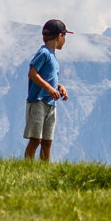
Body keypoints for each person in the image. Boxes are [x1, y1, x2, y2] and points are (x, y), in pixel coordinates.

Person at [24, 19, 72, 161]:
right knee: (35, 139)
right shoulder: (44, 53)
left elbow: (48, 77)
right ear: (59, 36)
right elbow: (32, 73)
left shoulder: (52, 55)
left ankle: (44, 169)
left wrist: (59, 87)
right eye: (65, 36)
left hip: (51, 103)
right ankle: (27, 167)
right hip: (38, 101)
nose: (65, 40)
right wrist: (49, 88)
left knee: (47, 141)